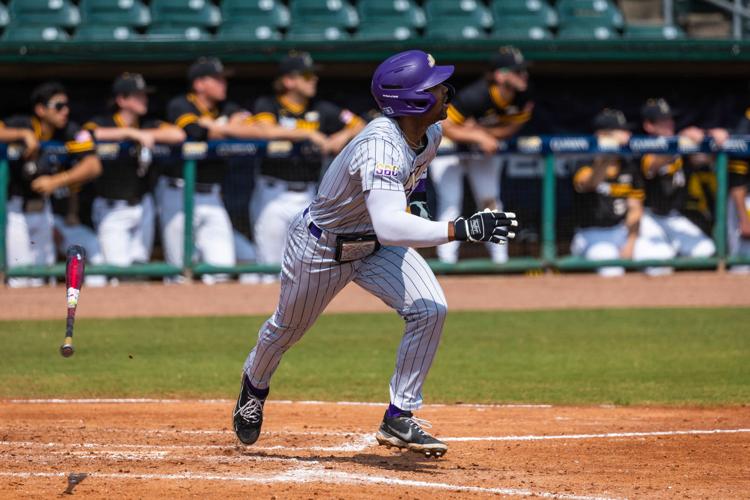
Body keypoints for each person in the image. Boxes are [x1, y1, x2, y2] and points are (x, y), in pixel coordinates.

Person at [232, 50, 518, 458]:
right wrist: (462, 228)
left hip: (373, 245)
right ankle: (253, 387)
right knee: (286, 330)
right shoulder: (380, 144)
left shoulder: (430, 134)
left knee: (430, 308)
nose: (446, 91)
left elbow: (411, 186)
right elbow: (391, 225)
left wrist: (417, 201)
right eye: (435, 86)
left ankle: (399, 415)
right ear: (412, 100)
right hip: (323, 246)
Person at [250, 52, 365, 272]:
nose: (313, 79)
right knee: (269, 267)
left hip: (308, 195)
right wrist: (307, 134)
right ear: (289, 80)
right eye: (306, 76)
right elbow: (265, 130)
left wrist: (339, 137)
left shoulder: (320, 108)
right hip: (272, 193)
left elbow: (359, 123)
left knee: (304, 265)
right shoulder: (269, 104)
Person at [429, 46, 533, 265]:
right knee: (451, 202)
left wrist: (479, 132)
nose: (524, 76)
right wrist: (477, 137)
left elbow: (512, 128)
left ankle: (500, 260)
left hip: (481, 148)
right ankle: (447, 262)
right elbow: (445, 126)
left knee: (490, 200)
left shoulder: (523, 97)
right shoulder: (476, 95)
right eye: (517, 71)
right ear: (500, 74)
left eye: (524, 71)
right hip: (448, 146)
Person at [1, 82, 102, 287]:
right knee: (20, 279)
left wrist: (56, 181)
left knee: (41, 278)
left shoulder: (68, 130)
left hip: (44, 210)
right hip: (15, 211)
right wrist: (22, 135)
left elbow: (94, 165)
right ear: (41, 110)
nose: (65, 111)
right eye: (58, 106)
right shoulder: (24, 123)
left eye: (66, 106)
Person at [84, 73, 185, 267]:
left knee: (139, 268)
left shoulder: (148, 124)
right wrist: (131, 133)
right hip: (111, 208)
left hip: (142, 205)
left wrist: (142, 133)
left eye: (144, 95)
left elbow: (178, 134)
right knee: (118, 271)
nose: (144, 99)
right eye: (138, 95)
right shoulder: (104, 121)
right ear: (121, 100)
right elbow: (87, 134)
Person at [571, 109, 673, 276]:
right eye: (621, 131)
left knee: (662, 260)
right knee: (612, 271)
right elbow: (590, 184)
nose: (627, 135)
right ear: (602, 134)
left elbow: (635, 208)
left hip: (621, 231)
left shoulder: (628, 166)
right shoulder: (583, 162)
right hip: (592, 234)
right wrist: (607, 153)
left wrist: (631, 243)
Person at [638, 98, 716, 261]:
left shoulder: (680, 145)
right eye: (662, 121)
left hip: (674, 215)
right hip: (648, 217)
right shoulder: (641, 145)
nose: (669, 123)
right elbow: (652, 166)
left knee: (705, 251)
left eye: (670, 119)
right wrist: (679, 142)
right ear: (649, 126)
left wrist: (709, 137)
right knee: (659, 260)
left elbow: (705, 159)